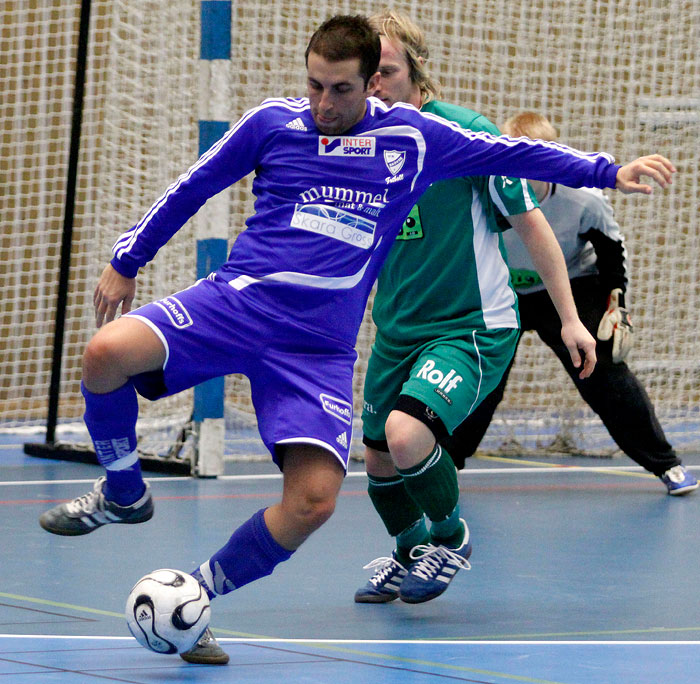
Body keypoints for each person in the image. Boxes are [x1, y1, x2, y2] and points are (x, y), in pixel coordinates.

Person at [37, 15, 675, 664]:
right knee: (105, 355)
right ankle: (123, 492)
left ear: (372, 83)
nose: (322, 104)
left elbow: (514, 153)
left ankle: (197, 596)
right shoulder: (272, 124)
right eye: (313, 85)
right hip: (236, 305)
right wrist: (127, 258)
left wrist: (608, 172)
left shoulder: (415, 139)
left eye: (339, 90)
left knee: (314, 500)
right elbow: (195, 184)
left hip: (315, 350)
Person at [355, 9, 594, 606]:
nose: (377, 85)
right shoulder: (359, 146)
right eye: (369, 74)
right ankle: (411, 554)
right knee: (379, 458)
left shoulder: (462, 134)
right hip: (397, 331)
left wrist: (569, 318)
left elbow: (531, 223)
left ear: (415, 72)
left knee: (408, 435)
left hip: (470, 326)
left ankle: (453, 538)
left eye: (387, 71)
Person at [442, 111, 697, 497]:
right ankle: (443, 469)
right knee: (479, 377)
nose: (520, 170)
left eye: (531, 161)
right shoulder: (484, 192)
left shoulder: (582, 201)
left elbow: (611, 252)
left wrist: (616, 303)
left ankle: (666, 465)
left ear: (549, 161)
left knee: (602, 371)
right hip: (501, 288)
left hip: (570, 286)